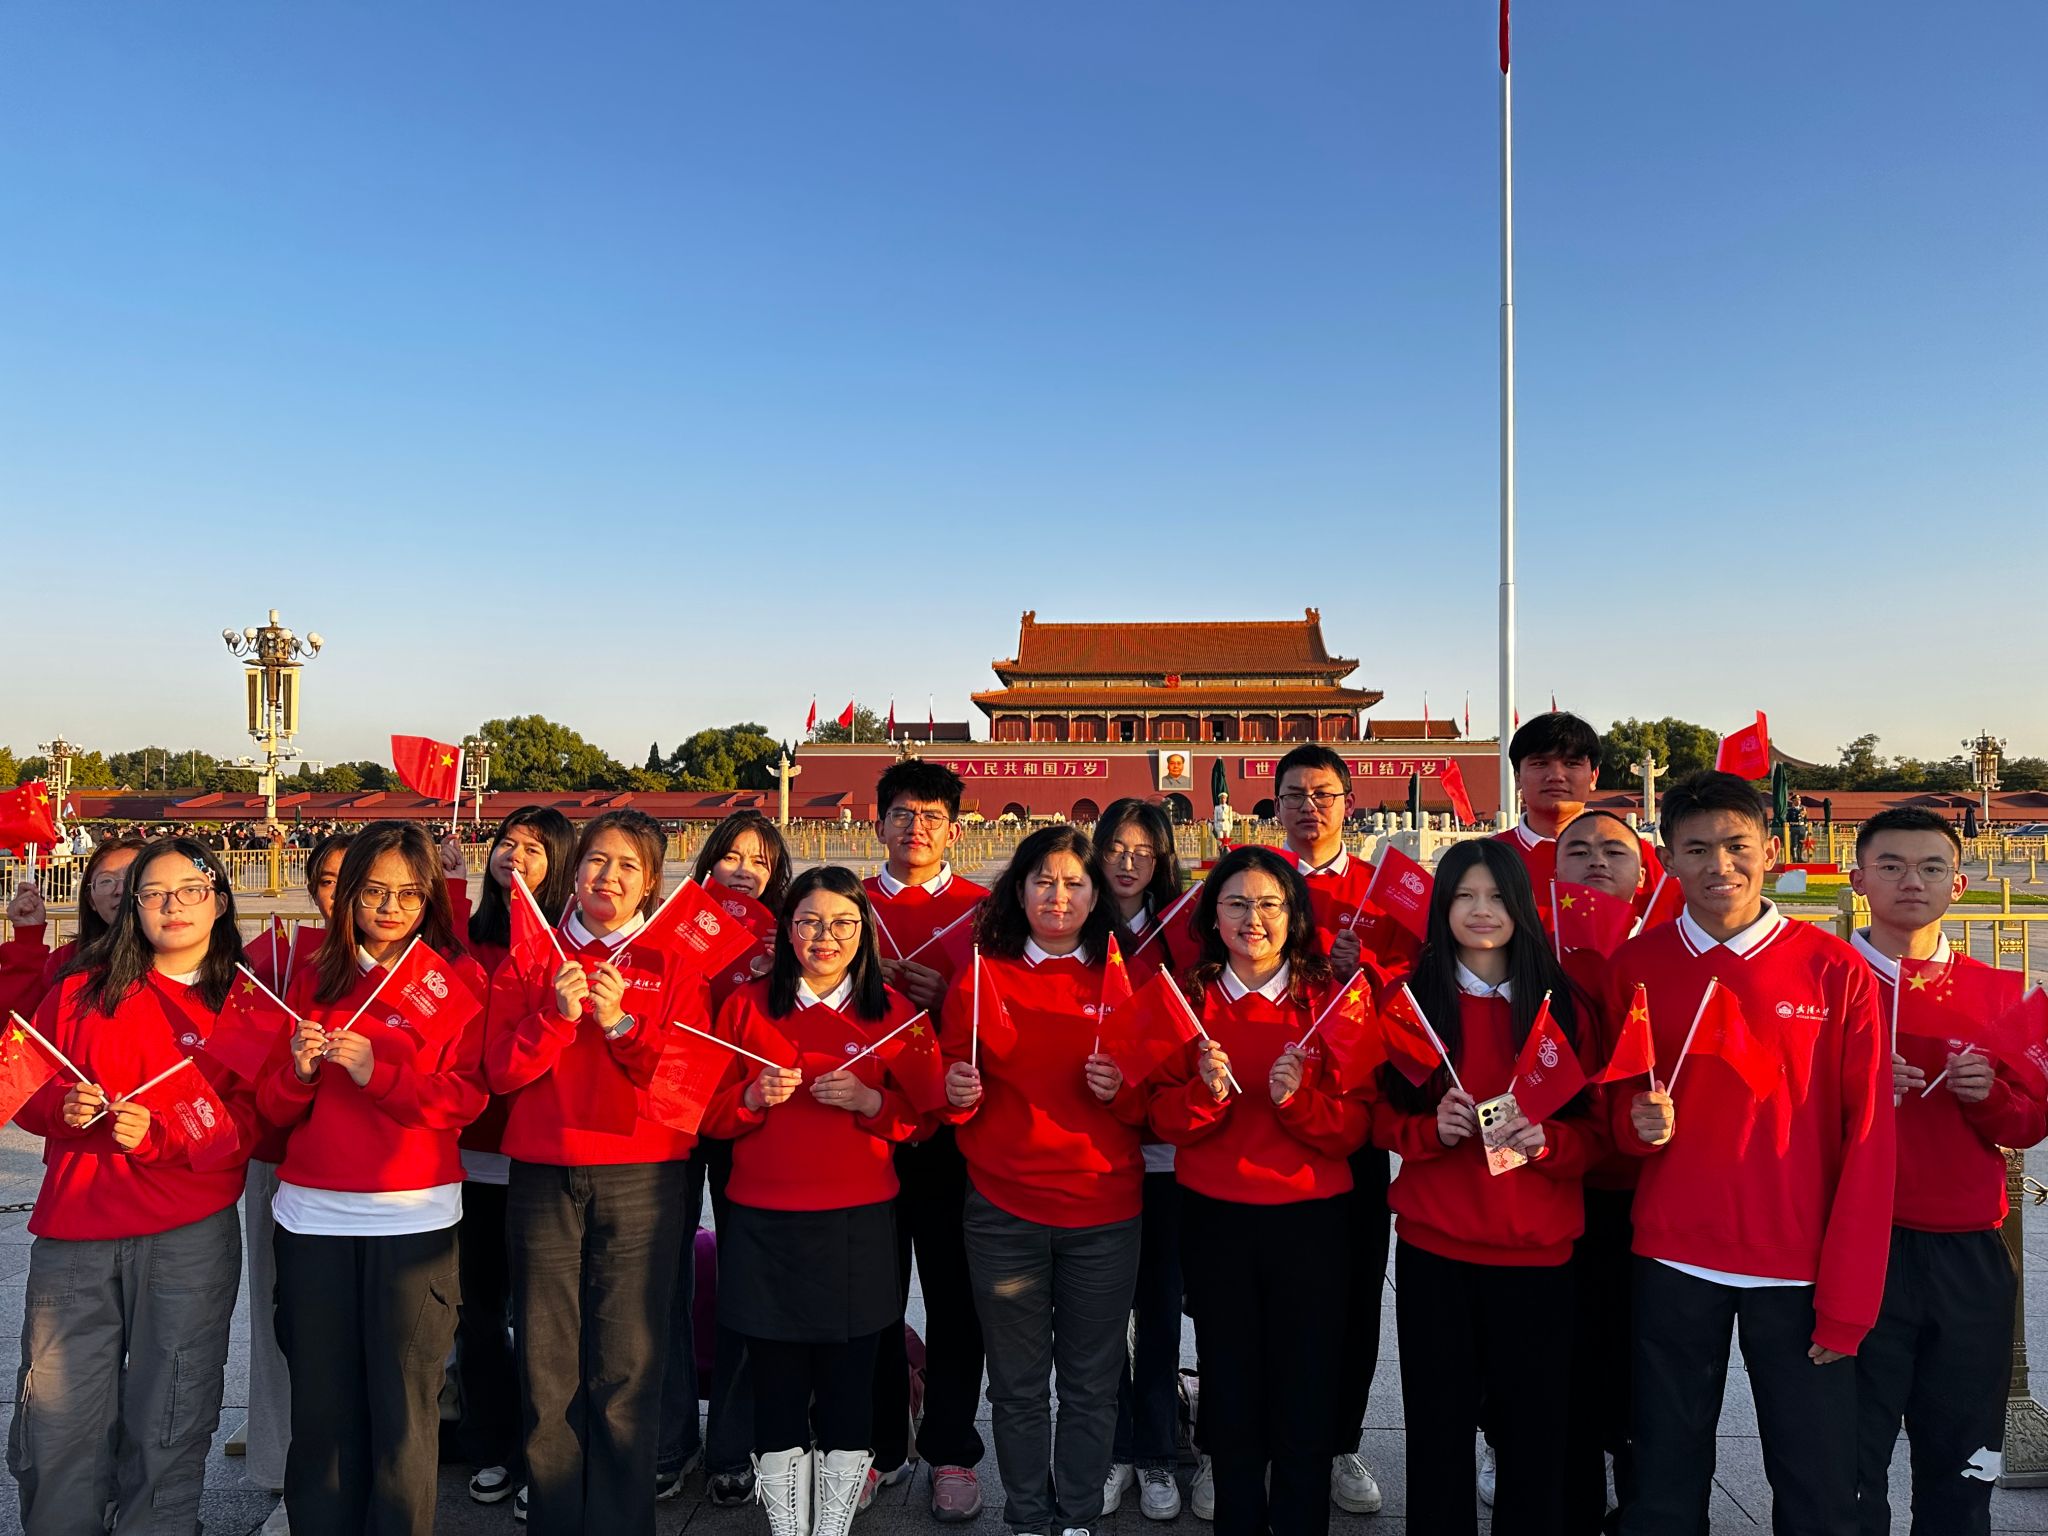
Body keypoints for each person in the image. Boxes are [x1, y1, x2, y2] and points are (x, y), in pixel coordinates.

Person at [1611, 773, 1894, 1536]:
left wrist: (1849, 1301)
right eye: (1697, 848)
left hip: (1797, 1266)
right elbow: (1615, 1113)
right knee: (1663, 1479)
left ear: (1771, 850)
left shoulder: (1835, 970)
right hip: (1673, 1255)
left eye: (1737, 846)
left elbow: (1870, 1140)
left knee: (1817, 1483)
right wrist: (1635, 1125)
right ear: (1669, 860)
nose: (1719, 865)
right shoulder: (1636, 966)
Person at [13, 838, 257, 1535]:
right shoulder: (80, 990)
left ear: (218, 899)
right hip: (77, 1230)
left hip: (187, 1236)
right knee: (57, 1417)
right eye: (153, 894)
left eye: (190, 889)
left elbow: (248, 1123)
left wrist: (163, 1135)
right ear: (132, 909)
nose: (172, 906)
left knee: (173, 1411)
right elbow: (25, 1083)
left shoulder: (244, 1003)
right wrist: (59, 1108)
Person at [263, 822, 490, 1536]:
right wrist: (300, 1073)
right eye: (372, 891)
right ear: (347, 894)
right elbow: (271, 1108)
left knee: (403, 1416)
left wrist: (377, 1073)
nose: (390, 907)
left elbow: (465, 1099)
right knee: (322, 1412)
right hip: (313, 1219)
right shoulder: (308, 975)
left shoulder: (453, 980)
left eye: (409, 893)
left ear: (431, 899)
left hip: (414, 1218)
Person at [484, 808, 702, 1536]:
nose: (609, 877)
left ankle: (620, 1521)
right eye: (596, 861)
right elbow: (500, 1073)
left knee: (627, 1366)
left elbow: (686, 1084)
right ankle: (552, 1516)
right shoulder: (533, 955)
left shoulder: (673, 961)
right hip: (543, 1172)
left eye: (628, 866)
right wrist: (554, 1016)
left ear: (651, 883)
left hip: (643, 1174)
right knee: (545, 1360)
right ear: (573, 872)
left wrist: (621, 1026)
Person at [1373, 839, 1600, 1536]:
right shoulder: (1412, 1006)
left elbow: (1598, 1136)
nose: (1481, 911)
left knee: (1534, 1437)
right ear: (1441, 907)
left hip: (1537, 1257)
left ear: (1522, 907)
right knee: (1437, 1432)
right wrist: (1429, 1132)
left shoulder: (1564, 1010)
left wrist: (1546, 1143)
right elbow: (1379, 1117)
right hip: (1436, 1253)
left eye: (1498, 897)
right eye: (1464, 896)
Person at [1151, 846, 1369, 1536]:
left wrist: (1299, 1103)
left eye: (1271, 903)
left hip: (1312, 1221)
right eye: (1237, 903)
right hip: (1216, 1219)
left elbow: (1357, 1125)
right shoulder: (1185, 999)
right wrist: (1205, 1095)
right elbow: (1159, 1115)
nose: (1254, 918)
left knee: (1307, 1389)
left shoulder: (1331, 1000)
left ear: (1295, 915)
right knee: (1230, 1385)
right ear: (1212, 917)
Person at [703, 867, 924, 1536]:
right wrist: (748, 1098)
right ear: (786, 929)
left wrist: (871, 1102)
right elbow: (704, 1113)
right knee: (775, 1390)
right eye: (808, 922)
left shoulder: (894, 1011)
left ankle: (833, 1525)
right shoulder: (745, 1007)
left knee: (848, 1391)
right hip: (764, 1225)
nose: (825, 937)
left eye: (842, 923)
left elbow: (924, 1120)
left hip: (858, 1226)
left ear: (864, 932)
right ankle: (786, 1527)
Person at [940, 826, 1146, 1536]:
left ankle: (1078, 1516)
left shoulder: (1125, 980)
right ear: (1019, 890)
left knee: (1091, 1384)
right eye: (1044, 881)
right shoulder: (981, 975)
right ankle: (1028, 1517)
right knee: (1018, 1385)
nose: (1059, 897)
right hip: (1004, 1211)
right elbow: (948, 1085)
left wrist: (1122, 1092)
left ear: (1097, 896)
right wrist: (955, 1090)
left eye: (1075, 883)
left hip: (1104, 1212)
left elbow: (1156, 1102)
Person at [1849, 808, 2045, 1536]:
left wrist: (1987, 1094)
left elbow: (2028, 1124)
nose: (1913, 881)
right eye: (1892, 865)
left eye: (1932, 867)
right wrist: (1857, 1088)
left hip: (1967, 1251)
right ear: (1859, 878)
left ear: (1957, 884)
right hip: (1855, 1245)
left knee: (1963, 1460)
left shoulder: (2001, 992)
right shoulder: (1825, 983)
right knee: (1848, 1461)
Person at [1269, 743, 1396, 1515]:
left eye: (1323, 794)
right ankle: (1234, 1440)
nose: (1308, 807)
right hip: (1261, 1108)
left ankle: (1340, 1439)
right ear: (1275, 805)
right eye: (1294, 794)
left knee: (1352, 1290)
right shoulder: (1253, 882)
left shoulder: (1384, 893)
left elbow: (1420, 1003)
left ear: (1350, 802)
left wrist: (1367, 971)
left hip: (1353, 1115)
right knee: (1244, 1295)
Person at [863, 760, 990, 1520]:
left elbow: (998, 1019)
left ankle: (951, 1448)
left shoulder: (984, 912)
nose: (917, 828)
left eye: (932, 817)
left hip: (949, 1129)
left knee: (954, 1297)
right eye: (903, 814)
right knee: (872, 1295)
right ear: (878, 823)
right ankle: (880, 1447)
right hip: (864, 1123)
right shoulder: (845, 905)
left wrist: (948, 997)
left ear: (954, 830)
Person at [659, 810, 791, 1509]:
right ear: (709, 860)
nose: (744, 870)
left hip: (748, 1111)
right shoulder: (671, 924)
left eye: (760, 861)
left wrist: (776, 971)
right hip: (675, 1108)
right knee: (664, 1276)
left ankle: (734, 1446)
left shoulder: (788, 934)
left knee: (744, 1275)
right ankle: (668, 1440)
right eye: (733, 856)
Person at [453, 808, 575, 1510]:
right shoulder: (463, 939)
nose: (516, 856)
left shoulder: (568, 944)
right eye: (508, 842)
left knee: (542, 1320)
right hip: (469, 1155)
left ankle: (544, 1453)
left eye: (535, 847)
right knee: (477, 1315)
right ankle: (491, 1443)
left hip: (539, 1154)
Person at [230, 828, 353, 1515]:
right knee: (279, 1312)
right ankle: (280, 1453)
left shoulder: (402, 965)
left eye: (355, 878)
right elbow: (242, 1061)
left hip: (364, 1173)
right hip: (282, 1158)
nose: (342, 894)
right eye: (328, 881)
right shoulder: (275, 959)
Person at [1552, 809, 1648, 1531]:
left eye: (1614, 852)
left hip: (1648, 1196)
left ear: (1643, 873)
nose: (1595, 862)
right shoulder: (1529, 954)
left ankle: (1643, 1504)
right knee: (1565, 1362)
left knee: (1643, 1365)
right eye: (1578, 851)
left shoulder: (1667, 952)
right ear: (1553, 872)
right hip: (1556, 1185)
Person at [1093, 799, 1189, 1521]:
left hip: (1164, 1156)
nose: (1128, 863)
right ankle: (1112, 1446)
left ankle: (1157, 1448)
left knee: (1158, 1312)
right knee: (1097, 1318)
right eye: (1116, 849)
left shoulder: (1184, 932)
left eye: (1144, 852)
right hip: (1092, 1154)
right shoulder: (1075, 929)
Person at [1495, 714, 1665, 920]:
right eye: (1540, 763)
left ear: (1593, 776)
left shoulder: (1636, 855)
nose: (1556, 776)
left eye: (1571, 763)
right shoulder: (1489, 858)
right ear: (1517, 777)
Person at [0, 830, 152, 1020]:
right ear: (91, 900)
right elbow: (16, 1021)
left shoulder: (180, 959)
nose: (121, 889)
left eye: (134, 878)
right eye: (106, 880)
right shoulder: (67, 962)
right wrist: (28, 937)